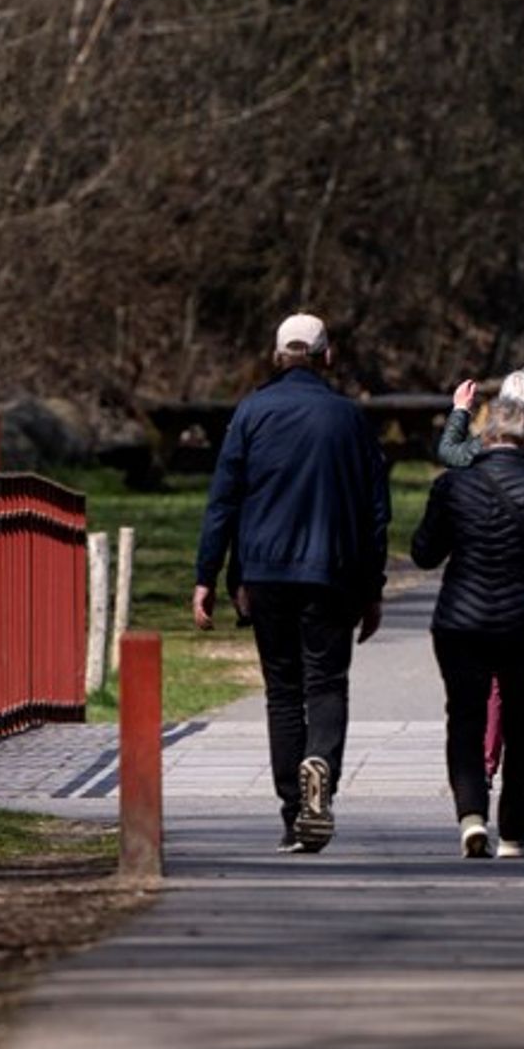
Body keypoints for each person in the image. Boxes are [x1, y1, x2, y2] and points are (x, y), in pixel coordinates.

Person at [193, 313, 391, 853]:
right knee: (326, 684)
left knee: (283, 694)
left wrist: (207, 575)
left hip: (267, 574)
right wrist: (372, 586)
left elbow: (224, 502)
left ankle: (291, 812)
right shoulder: (351, 419)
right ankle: (318, 775)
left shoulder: (251, 413)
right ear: (327, 356)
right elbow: (377, 509)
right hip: (332, 573)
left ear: (278, 356)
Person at [411, 398, 524, 858]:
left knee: (465, 718)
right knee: (522, 723)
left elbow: (424, 552)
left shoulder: (453, 486)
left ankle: (471, 817)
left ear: (484, 436)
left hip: (461, 622)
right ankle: (515, 833)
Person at [434, 368, 524, 788]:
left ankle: (484, 759)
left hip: (489, 579)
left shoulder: (482, 449)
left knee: (494, 677)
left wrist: (460, 412)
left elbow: (449, 452)